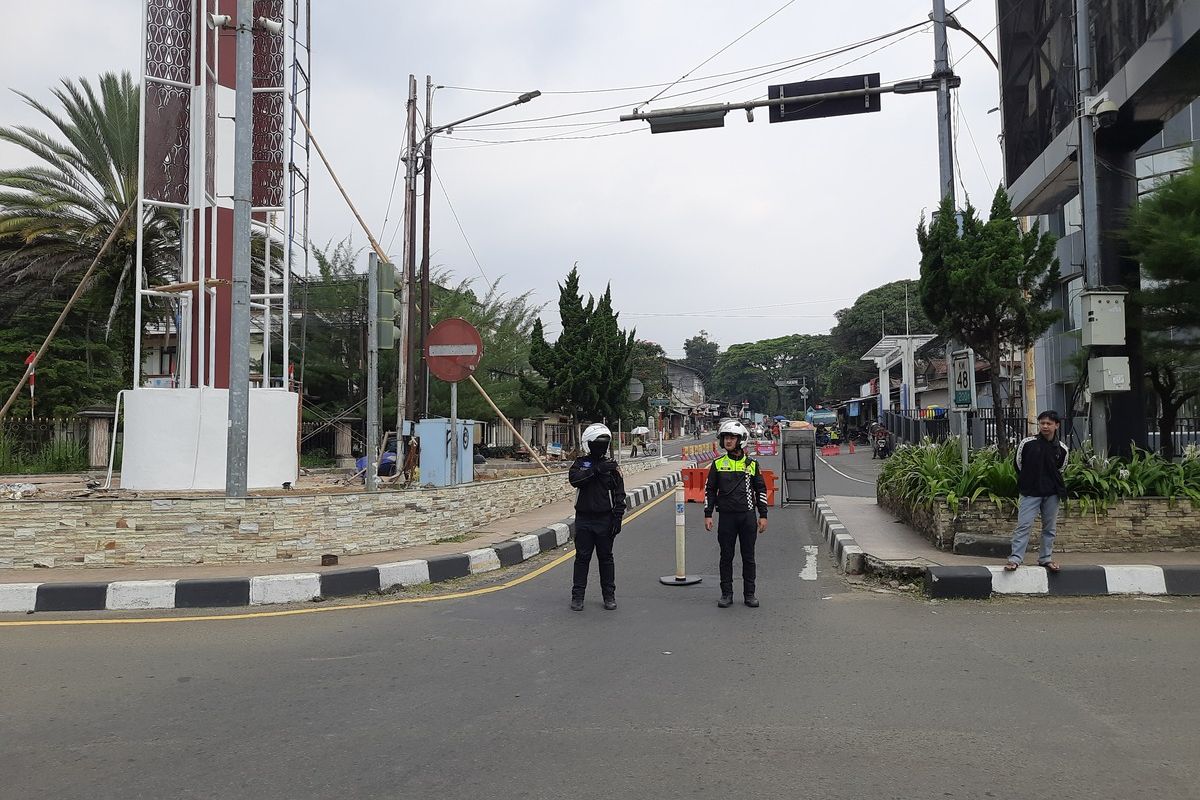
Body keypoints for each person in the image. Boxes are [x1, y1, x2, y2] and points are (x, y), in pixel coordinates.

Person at [704, 419, 769, 608]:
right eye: (725, 437)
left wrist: (763, 515)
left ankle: (750, 594)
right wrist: (708, 514)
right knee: (726, 557)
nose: (728, 441)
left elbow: (761, 490)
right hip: (726, 518)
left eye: (732, 437)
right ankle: (727, 594)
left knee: (748, 557)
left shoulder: (752, 464)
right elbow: (710, 490)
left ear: (741, 440)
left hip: (747, 516)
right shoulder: (717, 464)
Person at [568, 423, 626, 611]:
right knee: (582, 558)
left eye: (604, 443)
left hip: (605, 519)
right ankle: (577, 597)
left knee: (606, 559)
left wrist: (617, 518)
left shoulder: (612, 467)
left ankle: (609, 596)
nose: (600, 447)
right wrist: (596, 470)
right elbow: (575, 480)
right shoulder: (580, 463)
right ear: (588, 444)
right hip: (584, 519)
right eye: (597, 443)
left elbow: (620, 494)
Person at [1005, 410, 1069, 572]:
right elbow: (1018, 464)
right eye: (1042, 423)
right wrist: (1029, 479)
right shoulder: (1027, 443)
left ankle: (1045, 558)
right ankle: (1015, 559)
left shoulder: (1062, 449)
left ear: (1056, 425)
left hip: (1052, 492)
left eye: (1049, 423)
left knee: (1049, 528)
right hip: (1030, 491)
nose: (1045, 426)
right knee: (1023, 525)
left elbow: (1061, 468)